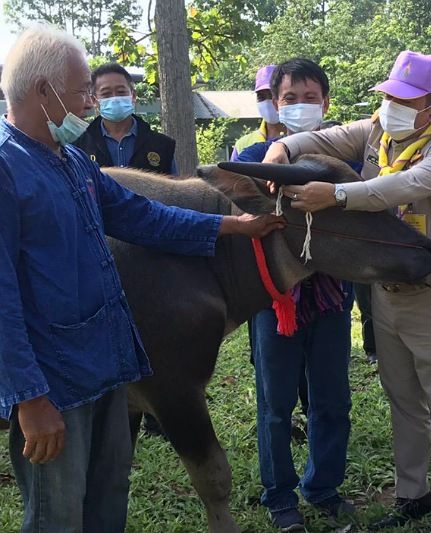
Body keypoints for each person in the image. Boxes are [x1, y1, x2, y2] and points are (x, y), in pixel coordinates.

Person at [0, 26, 282, 533]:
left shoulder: (72, 162)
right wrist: (31, 398)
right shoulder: (5, 170)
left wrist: (229, 225)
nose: (91, 103)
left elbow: (141, 216)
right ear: (43, 91)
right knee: (56, 516)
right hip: (54, 383)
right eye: (83, 91)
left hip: (107, 366)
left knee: (108, 500)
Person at [261, 50, 431, 533]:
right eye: (389, 96)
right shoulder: (379, 129)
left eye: (404, 99)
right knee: (403, 400)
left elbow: (398, 188)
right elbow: (324, 137)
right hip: (386, 291)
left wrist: (336, 195)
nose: (392, 106)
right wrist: (283, 149)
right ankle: (412, 494)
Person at [239, 58, 356, 532]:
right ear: (275, 101)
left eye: (311, 98)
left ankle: (323, 486)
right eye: (290, 98)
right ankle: (279, 494)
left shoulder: (345, 162)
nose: (301, 106)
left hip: (332, 296)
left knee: (333, 400)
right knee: (276, 405)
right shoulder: (251, 157)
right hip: (275, 301)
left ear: (326, 103)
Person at [74, 62, 178, 175]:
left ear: (133, 96)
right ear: (94, 100)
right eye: (106, 94)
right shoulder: (79, 146)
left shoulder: (162, 145)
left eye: (121, 92)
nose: (115, 98)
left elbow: (172, 185)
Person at [230, 64, 286, 161]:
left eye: (272, 95)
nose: (268, 102)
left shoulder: (301, 138)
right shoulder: (243, 144)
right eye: (261, 97)